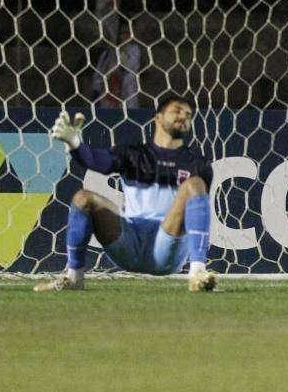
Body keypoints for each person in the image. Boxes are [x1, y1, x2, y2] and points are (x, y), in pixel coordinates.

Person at [35, 94, 217, 292]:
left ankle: (197, 273)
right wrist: (75, 145)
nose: (184, 116)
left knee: (195, 185)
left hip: (167, 246)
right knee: (83, 198)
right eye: (177, 111)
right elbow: (96, 161)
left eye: (188, 114)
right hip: (129, 242)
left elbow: (198, 209)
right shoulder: (133, 154)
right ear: (157, 117)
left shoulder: (198, 163)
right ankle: (74, 277)